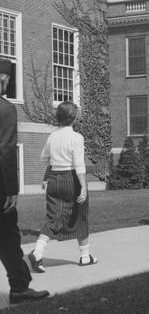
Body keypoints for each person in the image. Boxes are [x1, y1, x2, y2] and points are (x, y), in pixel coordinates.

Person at [0, 58, 49, 304]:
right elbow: (5, 152)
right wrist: (11, 189)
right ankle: (19, 288)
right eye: (7, 77)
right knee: (8, 237)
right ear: (3, 78)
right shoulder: (5, 109)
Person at [29, 101, 97, 274]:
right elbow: (79, 165)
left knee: (54, 218)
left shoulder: (52, 137)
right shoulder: (76, 137)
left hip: (54, 180)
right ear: (74, 118)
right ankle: (85, 256)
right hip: (71, 180)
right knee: (80, 216)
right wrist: (82, 187)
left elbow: (44, 159)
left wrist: (47, 176)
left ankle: (37, 253)